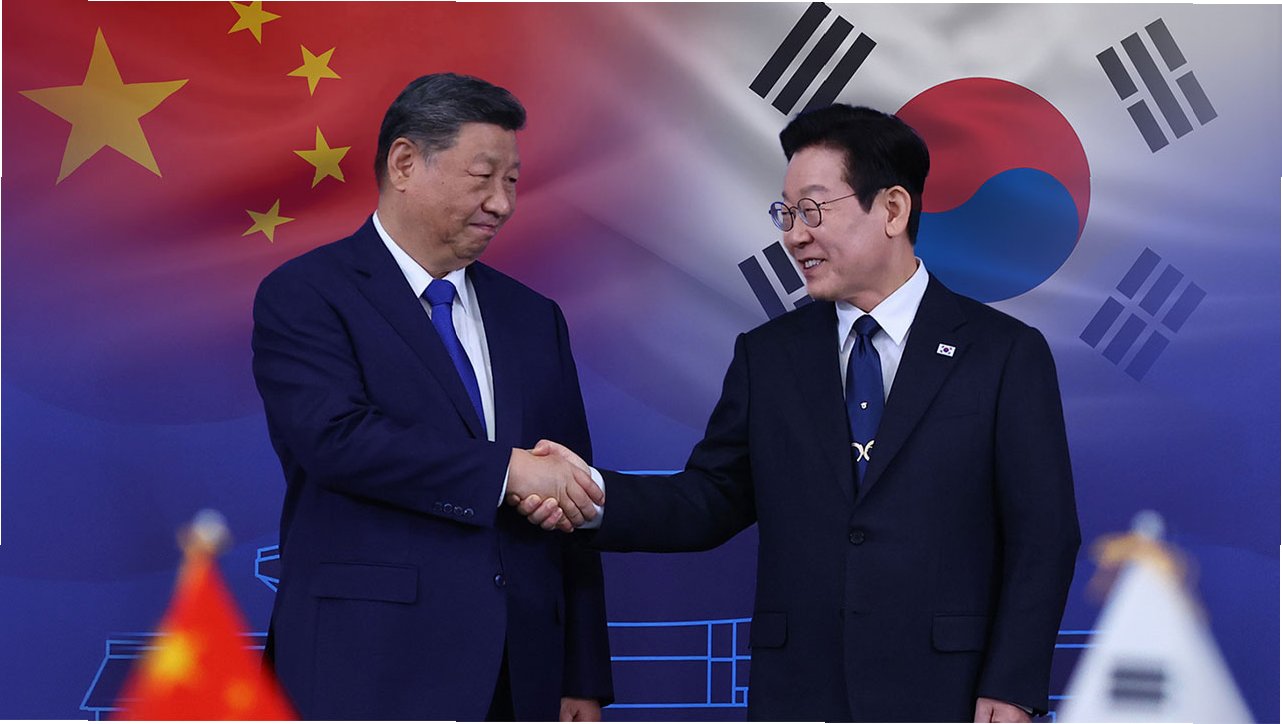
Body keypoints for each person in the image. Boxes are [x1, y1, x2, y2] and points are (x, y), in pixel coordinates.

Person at [515, 105, 1080, 722]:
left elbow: (1043, 535)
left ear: (893, 210)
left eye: (812, 210)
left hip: (949, 691)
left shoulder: (1002, 353)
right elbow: (710, 499)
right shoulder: (768, 356)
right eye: (786, 214)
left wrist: (1011, 685)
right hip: (800, 690)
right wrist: (589, 495)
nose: (794, 235)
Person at [252, 73, 612, 721]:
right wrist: (507, 472)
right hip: (368, 665)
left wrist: (580, 671)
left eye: (512, 181)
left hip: (521, 674)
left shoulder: (534, 318)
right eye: (483, 177)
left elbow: (571, 493)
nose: (502, 203)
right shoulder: (306, 293)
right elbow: (335, 439)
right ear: (405, 163)